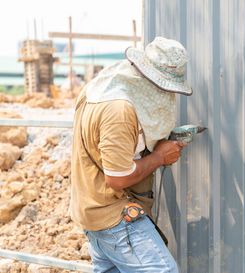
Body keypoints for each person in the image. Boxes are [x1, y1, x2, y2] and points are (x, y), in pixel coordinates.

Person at [70, 37, 193, 273]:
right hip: (113, 218)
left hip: (93, 214)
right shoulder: (119, 110)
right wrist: (159, 157)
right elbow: (117, 178)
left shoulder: (97, 89)